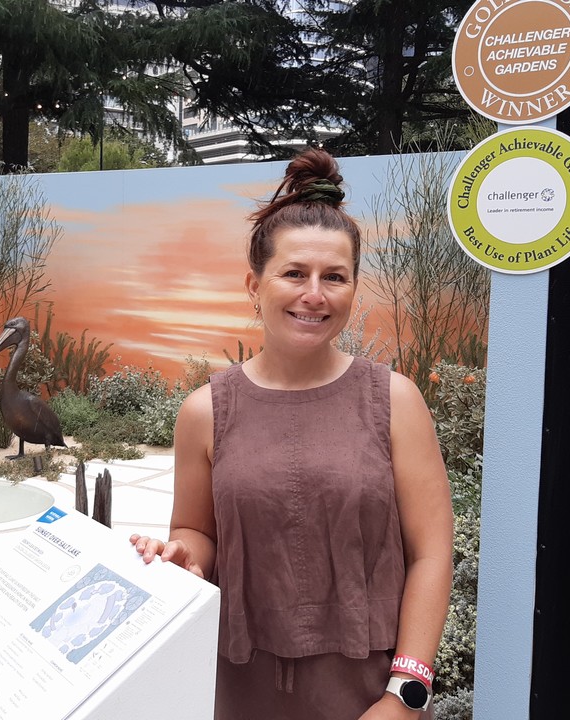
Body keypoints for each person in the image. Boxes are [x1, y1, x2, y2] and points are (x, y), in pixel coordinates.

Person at [131, 148, 454, 719]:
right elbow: (195, 529)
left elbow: (431, 553)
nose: (315, 294)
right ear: (254, 285)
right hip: (239, 682)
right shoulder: (205, 411)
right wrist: (184, 556)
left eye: (335, 277)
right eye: (294, 274)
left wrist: (406, 695)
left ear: (354, 288)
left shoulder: (395, 401)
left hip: (368, 689)